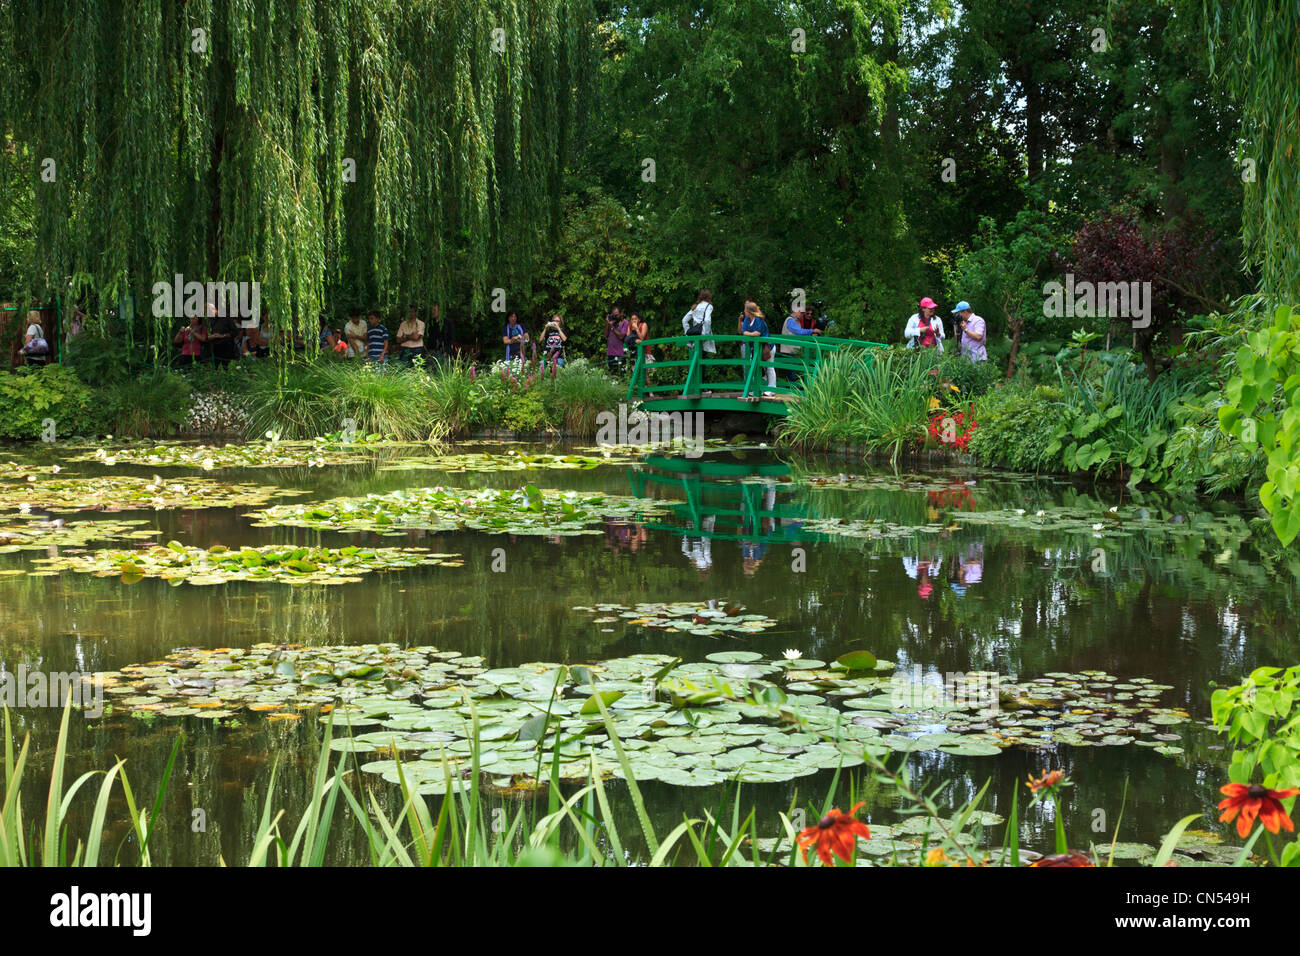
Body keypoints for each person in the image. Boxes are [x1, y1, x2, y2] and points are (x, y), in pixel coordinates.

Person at [740, 301, 776, 395]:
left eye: (745, 310)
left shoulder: (759, 320)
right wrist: (752, 334)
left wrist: (750, 334)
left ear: (749, 311)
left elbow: (758, 333)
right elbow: (743, 331)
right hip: (755, 348)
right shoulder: (747, 320)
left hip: (767, 347)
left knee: (769, 367)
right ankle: (756, 389)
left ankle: (772, 389)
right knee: (754, 367)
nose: (744, 311)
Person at [779, 302, 820, 381]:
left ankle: (793, 388)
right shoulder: (790, 321)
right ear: (796, 311)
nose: (802, 315)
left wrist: (811, 335)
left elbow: (798, 334)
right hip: (789, 351)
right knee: (792, 372)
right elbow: (799, 332)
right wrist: (812, 331)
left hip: (792, 351)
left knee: (794, 371)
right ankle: (793, 389)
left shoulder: (794, 321)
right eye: (801, 313)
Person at [681, 289, 716, 356]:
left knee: (696, 357)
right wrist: (706, 334)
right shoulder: (709, 306)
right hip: (703, 334)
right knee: (702, 357)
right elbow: (707, 320)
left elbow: (684, 320)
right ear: (709, 297)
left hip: (694, 334)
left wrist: (687, 334)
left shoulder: (695, 306)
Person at [605, 306, 629, 373]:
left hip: (620, 352)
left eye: (616, 315)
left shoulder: (625, 322)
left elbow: (621, 336)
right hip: (611, 352)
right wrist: (608, 323)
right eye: (613, 315)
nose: (615, 317)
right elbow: (605, 335)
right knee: (612, 373)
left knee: (621, 373)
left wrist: (612, 327)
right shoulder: (612, 322)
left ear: (621, 313)